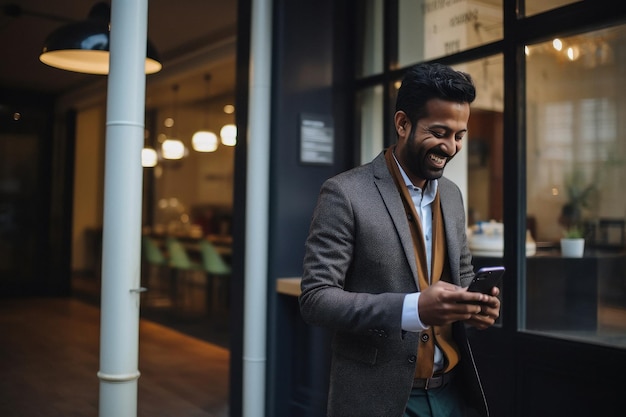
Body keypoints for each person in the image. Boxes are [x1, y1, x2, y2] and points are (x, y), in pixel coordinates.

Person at [299, 62, 501, 417]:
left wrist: (475, 307)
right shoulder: (344, 193)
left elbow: (463, 275)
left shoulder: (452, 196)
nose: (450, 147)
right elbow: (316, 299)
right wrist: (413, 309)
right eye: (439, 132)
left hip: (452, 394)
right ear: (403, 123)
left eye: (459, 136)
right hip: (380, 401)